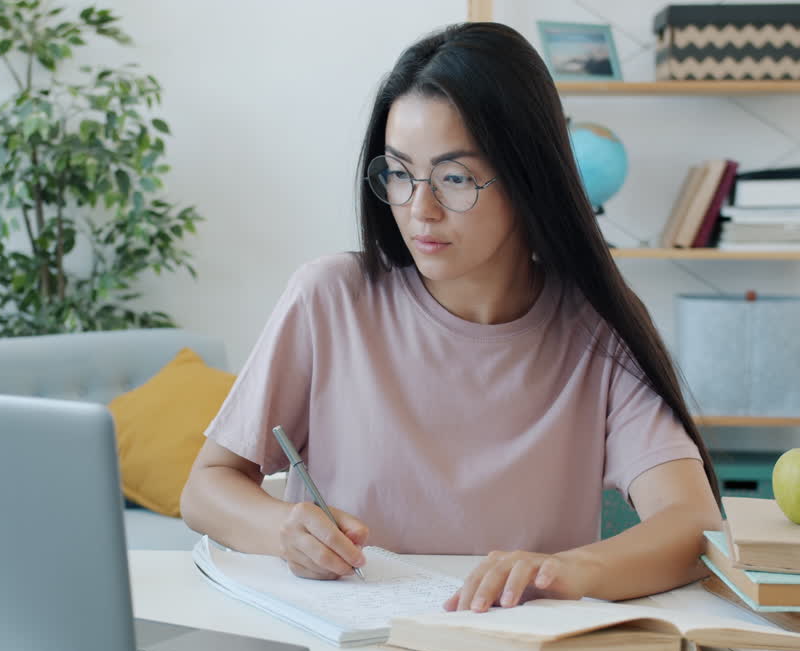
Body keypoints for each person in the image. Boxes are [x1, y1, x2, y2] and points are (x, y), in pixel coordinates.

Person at [180, 22, 723, 613]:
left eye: (455, 178)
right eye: (399, 173)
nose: (420, 209)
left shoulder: (593, 327)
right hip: (352, 647)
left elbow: (692, 523)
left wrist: (566, 570)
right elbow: (207, 489)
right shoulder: (329, 299)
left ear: (527, 178)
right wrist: (284, 530)